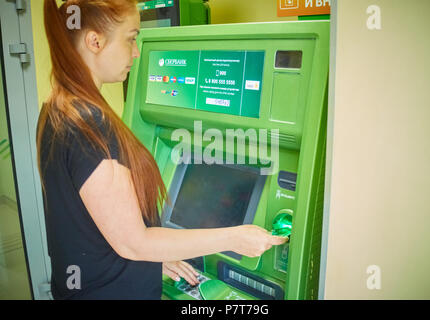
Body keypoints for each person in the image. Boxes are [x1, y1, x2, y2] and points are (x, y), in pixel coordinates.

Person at [36, 0, 287, 300]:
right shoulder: (90, 124)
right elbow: (135, 243)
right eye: (130, 38)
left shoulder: (58, 109)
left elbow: (94, 228)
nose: (136, 51)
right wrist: (235, 237)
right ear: (94, 41)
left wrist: (153, 259)